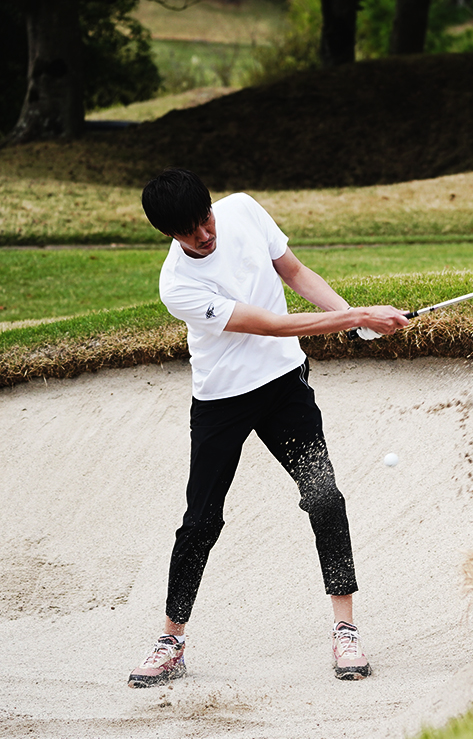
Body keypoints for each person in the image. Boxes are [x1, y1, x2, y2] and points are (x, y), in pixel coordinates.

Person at [129, 167, 410, 687]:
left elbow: (297, 274)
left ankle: (345, 628)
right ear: (169, 234)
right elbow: (271, 322)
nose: (206, 233)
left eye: (205, 218)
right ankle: (172, 639)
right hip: (222, 401)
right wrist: (356, 318)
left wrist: (351, 315)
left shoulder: (243, 209)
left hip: (284, 384)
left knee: (324, 495)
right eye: (190, 231)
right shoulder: (178, 285)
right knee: (201, 521)